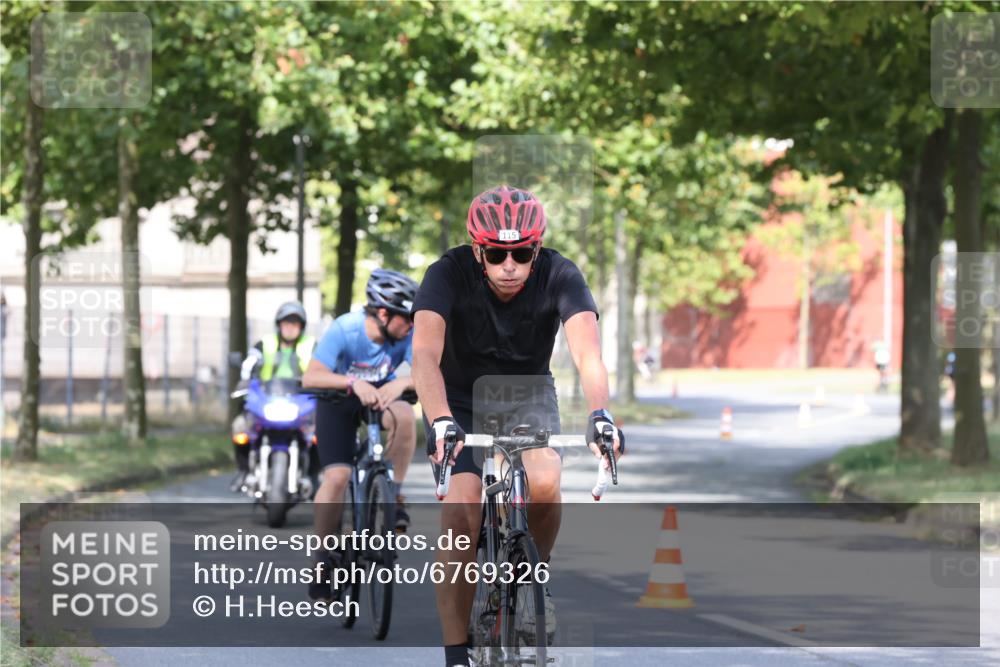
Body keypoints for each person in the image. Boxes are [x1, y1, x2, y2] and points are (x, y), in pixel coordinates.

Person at [411, 185, 624, 667]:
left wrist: (601, 413)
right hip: (460, 399)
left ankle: (532, 577)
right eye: (498, 254)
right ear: (477, 250)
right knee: (461, 514)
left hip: (527, 394)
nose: (510, 264)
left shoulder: (561, 274)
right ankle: (455, 652)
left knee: (546, 480)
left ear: (537, 249)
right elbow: (423, 355)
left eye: (523, 252)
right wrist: (440, 419)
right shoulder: (446, 273)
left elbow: (588, 354)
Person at [301, 269, 418, 600]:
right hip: (338, 400)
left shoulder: (405, 336)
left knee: (406, 416)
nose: (410, 326)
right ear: (383, 313)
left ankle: (392, 492)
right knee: (338, 476)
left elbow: (426, 373)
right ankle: (323, 559)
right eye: (405, 318)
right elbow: (312, 377)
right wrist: (353, 382)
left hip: (381, 398)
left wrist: (402, 382)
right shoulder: (345, 329)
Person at [230, 301, 316, 491]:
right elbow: (249, 363)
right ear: (279, 325)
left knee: (317, 434)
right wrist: (245, 379)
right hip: (268, 397)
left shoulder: (311, 346)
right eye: (287, 323)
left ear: (301, 327)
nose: (290, 328)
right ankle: (243, 471)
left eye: (295, 323)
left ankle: (313, 475)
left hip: (300, 399)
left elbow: (323, 366)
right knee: (240, 429)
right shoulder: (265, 343)